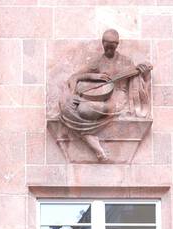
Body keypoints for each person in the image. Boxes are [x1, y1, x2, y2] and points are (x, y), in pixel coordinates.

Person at [57, 29, 152, 162]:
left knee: (84, 109)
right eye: (107, 45)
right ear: (102, 43)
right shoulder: (98, 62)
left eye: (112, 46)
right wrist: (93, 76)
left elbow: (139, 83)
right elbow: (74, 77)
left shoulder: (125, 61)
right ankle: (89, 137)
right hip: (98, 96)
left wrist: (144, 74)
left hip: (117, 100)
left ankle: (87, 136)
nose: (109, 49)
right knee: (66, 109)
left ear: (117, 44)